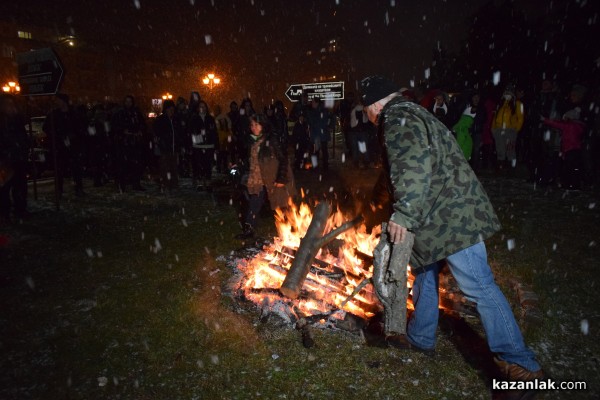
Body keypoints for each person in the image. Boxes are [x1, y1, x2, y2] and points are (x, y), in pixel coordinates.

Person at [359, 75, 544, 387]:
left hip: (452, 218)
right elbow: (394, 172)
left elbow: (413, 170)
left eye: (365, 109)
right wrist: (371, 207)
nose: (365, 116)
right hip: (438, 217)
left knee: (479, 286)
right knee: (424, 273)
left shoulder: (398, 118)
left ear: (375, 105)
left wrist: (403, 215)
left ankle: (521, 363)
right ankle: (421, 337)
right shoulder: (411, 113)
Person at [236, 114, 295, 239]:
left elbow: (283, 159)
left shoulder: (271, 140)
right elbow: (251, 160)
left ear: (263, 125)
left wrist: (281, 178)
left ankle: (291, 230)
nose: (253, 127)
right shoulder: (251, 141)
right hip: (257, 179)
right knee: (254, 204)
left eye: (256, 125)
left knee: (281, 204)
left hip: (273, 178)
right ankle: (249, 230)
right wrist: (239, 164)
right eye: (251, 125)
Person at [42, 93, 86, 197]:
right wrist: (57, 135)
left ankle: (78, 188)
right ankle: (59, 189)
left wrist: (74, 135)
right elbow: (46, 128)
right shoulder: (54, 114)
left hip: (73, 145)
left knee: (76, 168)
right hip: (60, 145)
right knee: (60, 168)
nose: (57, 102)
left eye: (59, 100)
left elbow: (81, 126)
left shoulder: (74, 113)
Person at [0, 94, 29, 223]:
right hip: (5, 159)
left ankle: (20, 210)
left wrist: (23, 149)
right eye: (7, 104)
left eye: (12, 104)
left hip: (18, 158)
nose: (10, 107)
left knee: (20, 186)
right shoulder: (2, 122)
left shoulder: (17, 120)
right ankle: (5, 212)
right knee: (4, 187)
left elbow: (23, 137)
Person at [541, 108, 585, 190]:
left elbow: (556, 124)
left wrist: (544, 119)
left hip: (570, 150)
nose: (563, 119)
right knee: (574, 169)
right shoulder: (579, 126)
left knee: (568, 169)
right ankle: (575, 185)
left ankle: (569, 185)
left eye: (565, 117)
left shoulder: (569, 125)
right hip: (576, 150)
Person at [110, 95, 147, 192]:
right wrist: (123, 132)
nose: (128, 103)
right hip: (124, 142)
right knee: (123, 164)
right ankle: (122, 185)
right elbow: (115, 127)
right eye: (127, 101)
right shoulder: (120, 113)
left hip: (134, 142)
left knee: (136, 164)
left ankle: (136, 184)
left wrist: (140, 131)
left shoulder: (136, 113)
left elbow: (143, 125)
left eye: (130, 101)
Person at [153, 100, 183, 193]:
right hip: (165, 148)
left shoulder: (176, 120)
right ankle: (165, 185)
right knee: (165, 167)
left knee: (174, 167)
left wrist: (179, 145)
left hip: (174, 148)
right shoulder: (160, 120)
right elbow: (156, 133)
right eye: (169, 109)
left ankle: (173, 184)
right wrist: (160, 142)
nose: (171, 111)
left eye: (172, 109)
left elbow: (179, 133)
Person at [491, 86, 524, 173]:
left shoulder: (517, 104)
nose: (507, 94)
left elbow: (520, 118)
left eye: (509, 92)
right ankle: (500, 166)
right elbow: (495, 116)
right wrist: (493, 128)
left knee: (510, 149)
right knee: (500, 149)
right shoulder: (500, 104)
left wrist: (516, 129)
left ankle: (511, 168)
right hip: (499, 129)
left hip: (510, 130)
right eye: (506, 92)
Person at [188, 100, 217, 191]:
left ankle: (208, 182)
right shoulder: (194, 119)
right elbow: (191, 132)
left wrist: (216, 145)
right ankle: (200, 183)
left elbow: (214, 133)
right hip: (198, 146)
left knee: (207, 165)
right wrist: (194, 142)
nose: (202, 108)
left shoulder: (210, 118)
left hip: (209, 145)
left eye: (204, 106)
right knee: (199, 165)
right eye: (200, 106)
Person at [306, 97, 332, 172]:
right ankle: (319, 166)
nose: (312, 103)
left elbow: (315, 122)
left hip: (319, 134)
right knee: (317, 151)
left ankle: (322, 166)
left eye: (313, 102)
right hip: (318, 134)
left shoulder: (321, 111)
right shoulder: (320, 110)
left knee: (320, 151)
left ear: (317, 103)